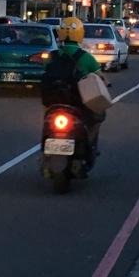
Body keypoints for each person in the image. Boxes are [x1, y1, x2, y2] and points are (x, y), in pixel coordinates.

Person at [41, 16, 105, 165]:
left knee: (46, 119)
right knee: (99, 116)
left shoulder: (51, 55)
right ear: (80, 34)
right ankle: (90, 145)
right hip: (78, 101)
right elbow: (100, 77)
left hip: (53, 101)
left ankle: (45, 151)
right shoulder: (86, 57)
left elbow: (45, 70)